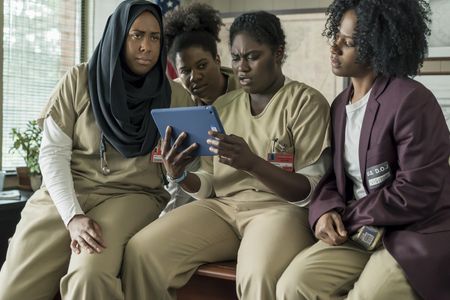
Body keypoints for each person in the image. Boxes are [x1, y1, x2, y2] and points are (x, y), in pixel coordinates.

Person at [122, 11, 331, 300]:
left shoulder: (305, 103)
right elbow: (208, 183)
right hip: (223, 209)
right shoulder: (223, 106)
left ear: (278, 53)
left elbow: (310, 190)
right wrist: (180, 175)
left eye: (252, 57)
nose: (242, 68)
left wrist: (253, 164)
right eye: (236, 57)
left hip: (279, 211)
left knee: (258, 274)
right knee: (141, 250)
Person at [0, 1, 192, 299]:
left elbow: (187, 173)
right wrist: (72, 216)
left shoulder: (176, 95)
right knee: (12, 289)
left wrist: (175, 177)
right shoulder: (78, 80)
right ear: (117, 35)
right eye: (136, 35)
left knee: (89, 276)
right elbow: (52, 154)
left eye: (155, 37)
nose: (146, 46)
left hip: (131, 195)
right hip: (66, 194)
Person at [276, 1, 450, 299]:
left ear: (378, 46)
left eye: (349, 42)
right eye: (336, 37)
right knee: (293, 285)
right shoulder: (339, 105)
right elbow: (333, 176)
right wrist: (324, 211)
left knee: (367, 296)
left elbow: (416, 191)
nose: (335, 47)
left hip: (414, 232)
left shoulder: (412, 100)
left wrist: (349, 214)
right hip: (361, 232)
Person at [160, 3, 240, 215]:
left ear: (217, 59)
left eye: (202, 65)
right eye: (185, 70)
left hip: (236, 191)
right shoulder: (174, 96)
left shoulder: (245, 93)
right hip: (188, 183)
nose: (195, 76)